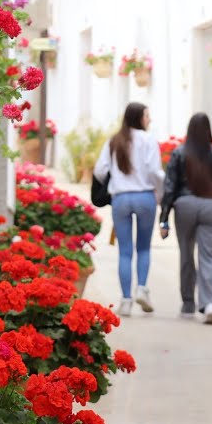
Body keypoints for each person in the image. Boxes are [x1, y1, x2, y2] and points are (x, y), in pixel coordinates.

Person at [159, 113, 212, 324]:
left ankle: (188, 304)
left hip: (185, 205)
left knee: (186, 253)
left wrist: (164, 218)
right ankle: (209, 303)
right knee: (210, 255)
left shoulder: (179, 153)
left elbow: (169, 187)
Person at [94, 102, 164, 317]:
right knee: (143, 248)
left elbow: (99, 170)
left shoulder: (114, 141)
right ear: (138, 118)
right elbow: (155, 171)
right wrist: (161, 195)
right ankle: (141, 288)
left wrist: (115, 180)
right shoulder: (148, 140)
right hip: (144, 197)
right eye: (147, 116)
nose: (149, 120)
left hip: (121, 199)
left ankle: (125, 301)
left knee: (125, 251)